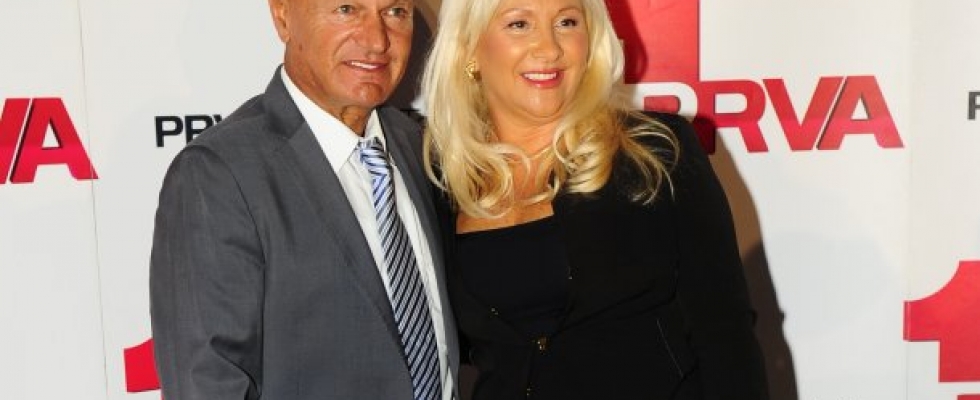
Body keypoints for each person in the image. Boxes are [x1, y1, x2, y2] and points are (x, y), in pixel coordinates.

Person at [420, 0, 769, 399]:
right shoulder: (443, 178)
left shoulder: (655, 153)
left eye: (567, 22)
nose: (549, 48)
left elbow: (726, 336)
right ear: (469, 49)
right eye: (519, 24)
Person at [149, 1, 458, 399]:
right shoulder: (218, 174)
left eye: (395, 11)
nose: (377, 40)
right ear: (282, 17)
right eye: (346, 9)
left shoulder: (420, 146)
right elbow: (206, 384)